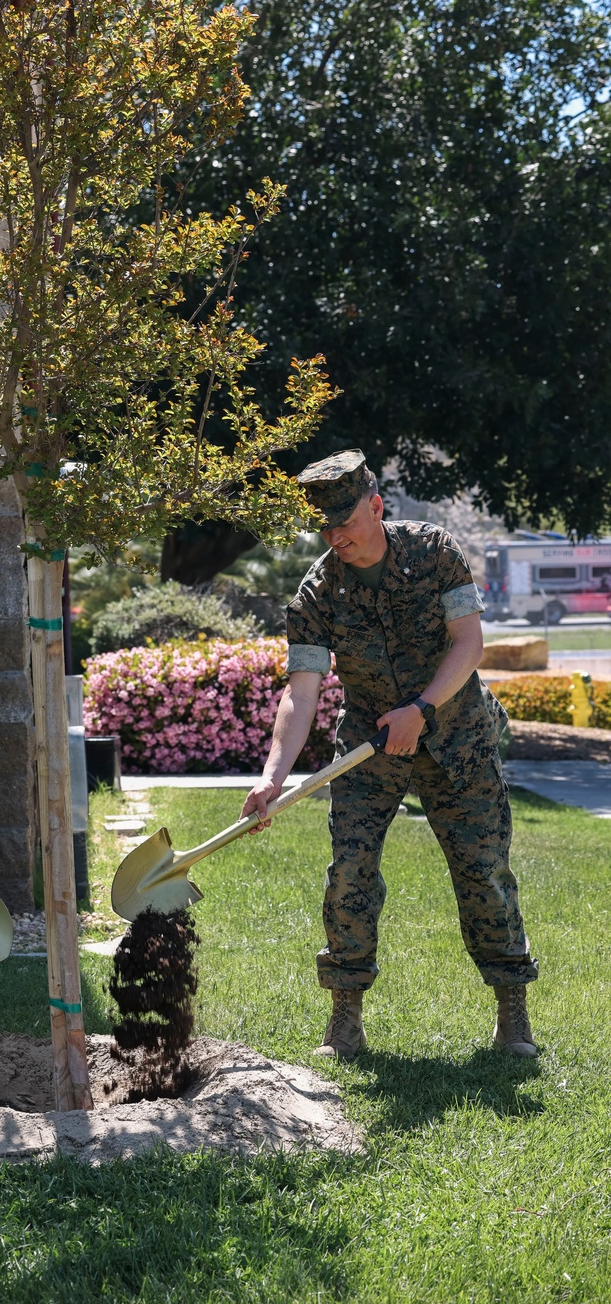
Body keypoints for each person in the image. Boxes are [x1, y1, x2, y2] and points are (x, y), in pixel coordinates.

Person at [242, 449, 538, 1060]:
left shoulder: (434, 551)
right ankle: (345, 1020)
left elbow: (469, 643)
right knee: (350, 871)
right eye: (325, 526)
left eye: (346, 520)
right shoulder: (317, 595)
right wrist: (273, 777)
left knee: (483, 870)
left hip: (456, 734)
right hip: (370, 747)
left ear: (376, 506)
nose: (336, 536)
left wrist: (422, 710)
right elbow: (301, 696)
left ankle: (513, 1013)